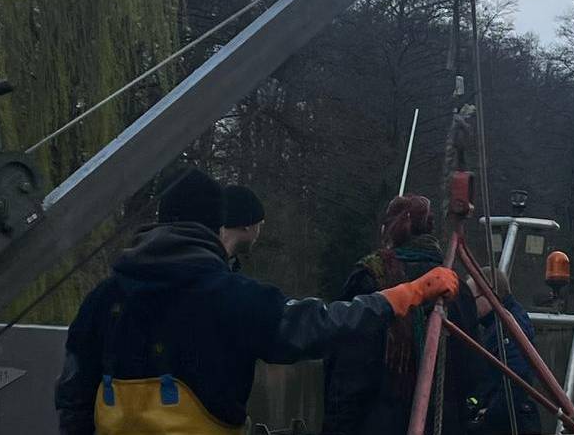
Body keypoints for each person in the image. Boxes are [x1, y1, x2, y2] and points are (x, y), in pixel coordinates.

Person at [54, 169, 460, 435]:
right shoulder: (231, 297)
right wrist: (403, 295)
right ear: (214, 227)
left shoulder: (103, 299)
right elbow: (320, 324)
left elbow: (73, 395)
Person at [321, 194, 483, 435]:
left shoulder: (371, 278)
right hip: (445, 424)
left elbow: (347, 368)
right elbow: (473, 372)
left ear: (389, 230)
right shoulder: (458, 289)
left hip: (379, 422)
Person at [466, 267, 542, 435]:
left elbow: (517, 378)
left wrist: (489, 418)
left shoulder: (507, 327)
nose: (469, 306)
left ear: (489, 295)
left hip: (506, 424)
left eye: (472, 299)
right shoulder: (496, 325)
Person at [220, 185, 265, 271]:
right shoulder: (212, 271)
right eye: (259, 225)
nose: (258, 233)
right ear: (247, 224)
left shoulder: (199, 257)